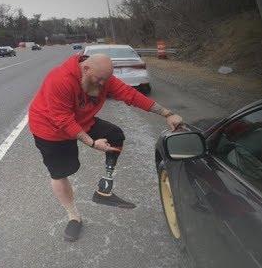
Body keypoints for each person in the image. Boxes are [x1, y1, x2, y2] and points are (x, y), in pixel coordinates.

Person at [28, 53, 183, 242]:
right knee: (61, 173)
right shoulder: (60, 79)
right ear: (85, 69)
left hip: (81, 120)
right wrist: (92, 143)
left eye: (105, 80)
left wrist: (167, 114)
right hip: (50, 129)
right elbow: (62, 120)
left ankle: (104, 190)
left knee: (115, 135)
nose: (103, 84)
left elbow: (131, 95)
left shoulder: (102, 78)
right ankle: (73, 216)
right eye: (99, 80)